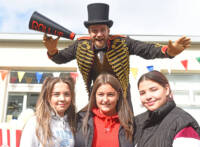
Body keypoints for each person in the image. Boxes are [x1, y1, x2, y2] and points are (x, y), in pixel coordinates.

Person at [43, 3, 191, 110]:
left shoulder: (122, 43)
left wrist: (168, 52)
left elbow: (146, 49)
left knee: (126, 129)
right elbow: (60, 58)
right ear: (89, 33)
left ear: (108, 31)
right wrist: (52, 51)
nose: (99, 34)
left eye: (102, 30)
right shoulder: (80, 45)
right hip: (98, 96)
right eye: (94, 30)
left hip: (122, 97)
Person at [134, 70, 200, 147]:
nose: (148, 96)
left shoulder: (182, 122)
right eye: (142, 93)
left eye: (153, 90)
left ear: (167, 90)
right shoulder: (137, 122)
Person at [75, 73, 134, 147]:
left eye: (110, 95)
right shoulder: (81, 120)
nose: (105, 100)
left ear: (118, 96)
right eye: (101, 94)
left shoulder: (129, 123)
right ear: (94, 96)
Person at [19, 76, 76, 147]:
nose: (62, 99)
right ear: (47, 97)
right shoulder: (35, 123)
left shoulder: (73, 122)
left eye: (67, 94)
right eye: (56, 94)